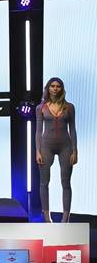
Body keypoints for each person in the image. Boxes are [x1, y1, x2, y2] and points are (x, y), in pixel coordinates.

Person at [35, 77, 78, 223]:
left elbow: (73, 130)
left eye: (58, 86)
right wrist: (37, 151)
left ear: (61, 89)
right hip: (46, 146)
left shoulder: (69, 107)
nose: (55, 88)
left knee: (66, 182)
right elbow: (38, 131)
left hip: (66, 146)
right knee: (44, 182)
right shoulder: (41, 108)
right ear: (48, 88)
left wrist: (75, 150)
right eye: (52, 86)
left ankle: (66, 218)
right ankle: (47, 217)